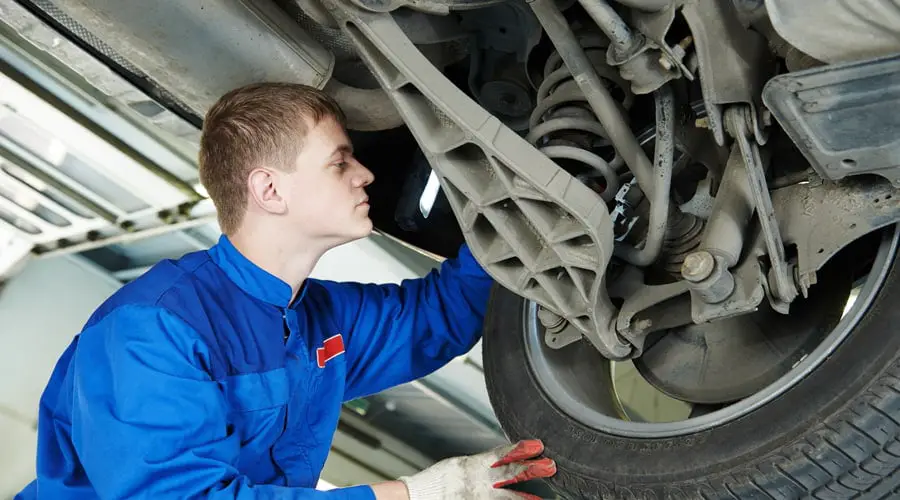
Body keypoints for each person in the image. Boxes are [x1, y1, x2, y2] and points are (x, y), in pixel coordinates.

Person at [16, 82, 556, 499]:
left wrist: (516, 216)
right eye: (340, 161)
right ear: (269, 189)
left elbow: (439, 316)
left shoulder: (320, 319)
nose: (365, 174)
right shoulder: (152, 329)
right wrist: (420, 492)